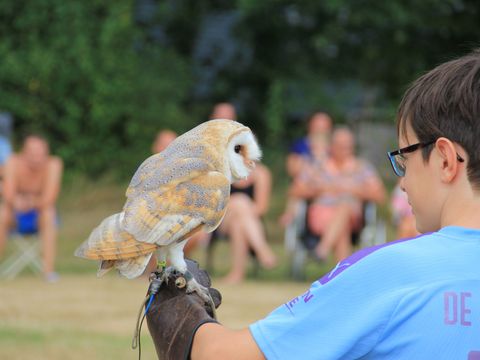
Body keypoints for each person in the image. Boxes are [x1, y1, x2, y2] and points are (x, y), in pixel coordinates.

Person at [147, 50, 480, 359]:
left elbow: (225, 356)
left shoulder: (394, 272)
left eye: (403, 157)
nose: (403, 180)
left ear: (446, 160)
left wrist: (179, 309)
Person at [290, 127, 386, 262]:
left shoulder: (362, 167)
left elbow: (380, 195)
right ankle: (341, 277)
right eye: (341, 146)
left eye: (348, 146)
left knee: (344, 207)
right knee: (342, 227)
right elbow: (295, 190)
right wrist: (319, 189)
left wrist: (355, 190)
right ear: (332, 146)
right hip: (321, 215)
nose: (345, 149)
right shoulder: (317, 166)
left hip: (353, 218)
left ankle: (322, 249)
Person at [0, 134, 63, 282]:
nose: (36, 157)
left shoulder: (53, 164)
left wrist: (31, 202)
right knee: (2, 213)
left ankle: (48, 272)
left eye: (40, 153)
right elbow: (8, 194)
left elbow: (50, 197)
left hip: (39, 215)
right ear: (23, 152)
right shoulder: (12, 162)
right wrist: (17, 202)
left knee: (49, 213)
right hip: (15, 215)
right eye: (32, 153)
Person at [216, 162, 277, 283]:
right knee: (240, 200)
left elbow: (261, 208)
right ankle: (262, 250)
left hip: (249, 222)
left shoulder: (261, 173)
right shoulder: (222, 170)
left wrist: (242, 212)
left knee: (237, 223)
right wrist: (238, 206)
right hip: (222, 221)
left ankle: (237, 274)